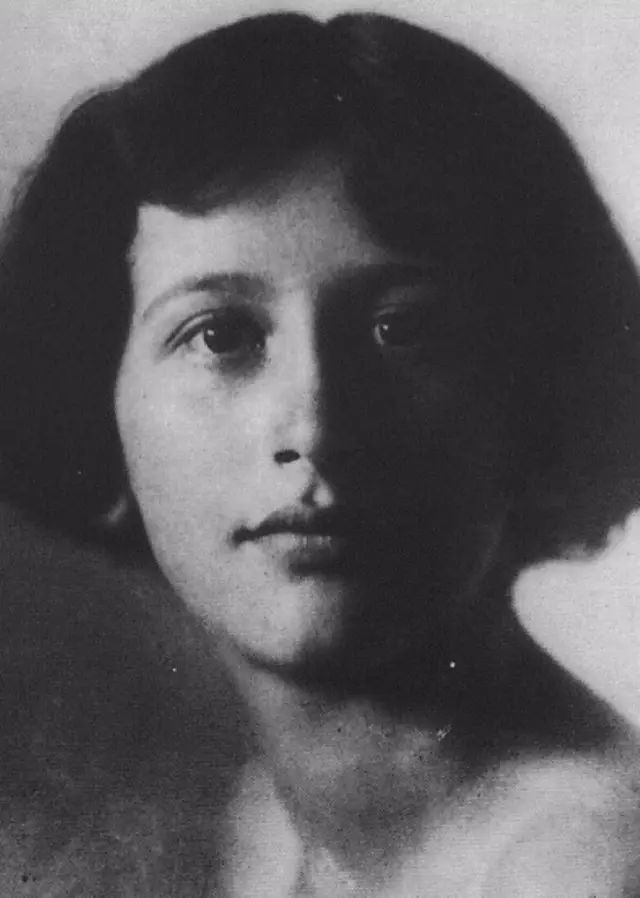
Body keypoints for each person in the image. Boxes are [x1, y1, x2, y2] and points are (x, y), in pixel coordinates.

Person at [0, 10, 639, 896]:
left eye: (402, 330)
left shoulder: (587, 868)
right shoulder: (262, 827)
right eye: (219, 335)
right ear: (98, 413)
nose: (316, 428)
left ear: (533, 399)